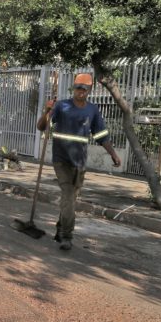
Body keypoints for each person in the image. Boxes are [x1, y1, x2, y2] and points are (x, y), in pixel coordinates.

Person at [37, 73, 121, 250]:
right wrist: (46, 111)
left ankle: (60, 230)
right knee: (68, 195)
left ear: (89, 91)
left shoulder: (92, 110)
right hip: (61, 160)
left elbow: (100, 135)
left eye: (84, 89)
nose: (80, 92)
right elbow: (41, 127)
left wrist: (113, 153)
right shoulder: (61, 106)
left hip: (79, 162)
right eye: (78, 88)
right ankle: (67, 236)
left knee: (70, 200)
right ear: (73, 88)